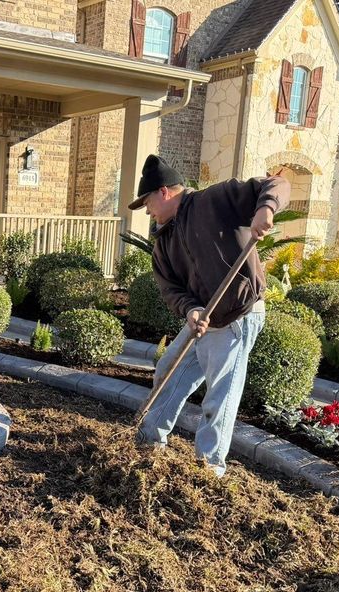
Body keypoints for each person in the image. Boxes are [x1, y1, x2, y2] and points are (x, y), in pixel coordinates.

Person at [129, 154, 289, 476]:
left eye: (147, 203)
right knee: (169, 370)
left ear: (164, 192)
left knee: (220, 394)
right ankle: (147, 445)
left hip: (237, 315)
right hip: (203, 320)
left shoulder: (216, 200)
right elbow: (170, 289)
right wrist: (192, 310)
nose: (147, 211)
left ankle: (208, 467)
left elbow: (276, 184)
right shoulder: (164, 243)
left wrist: (265, 209)